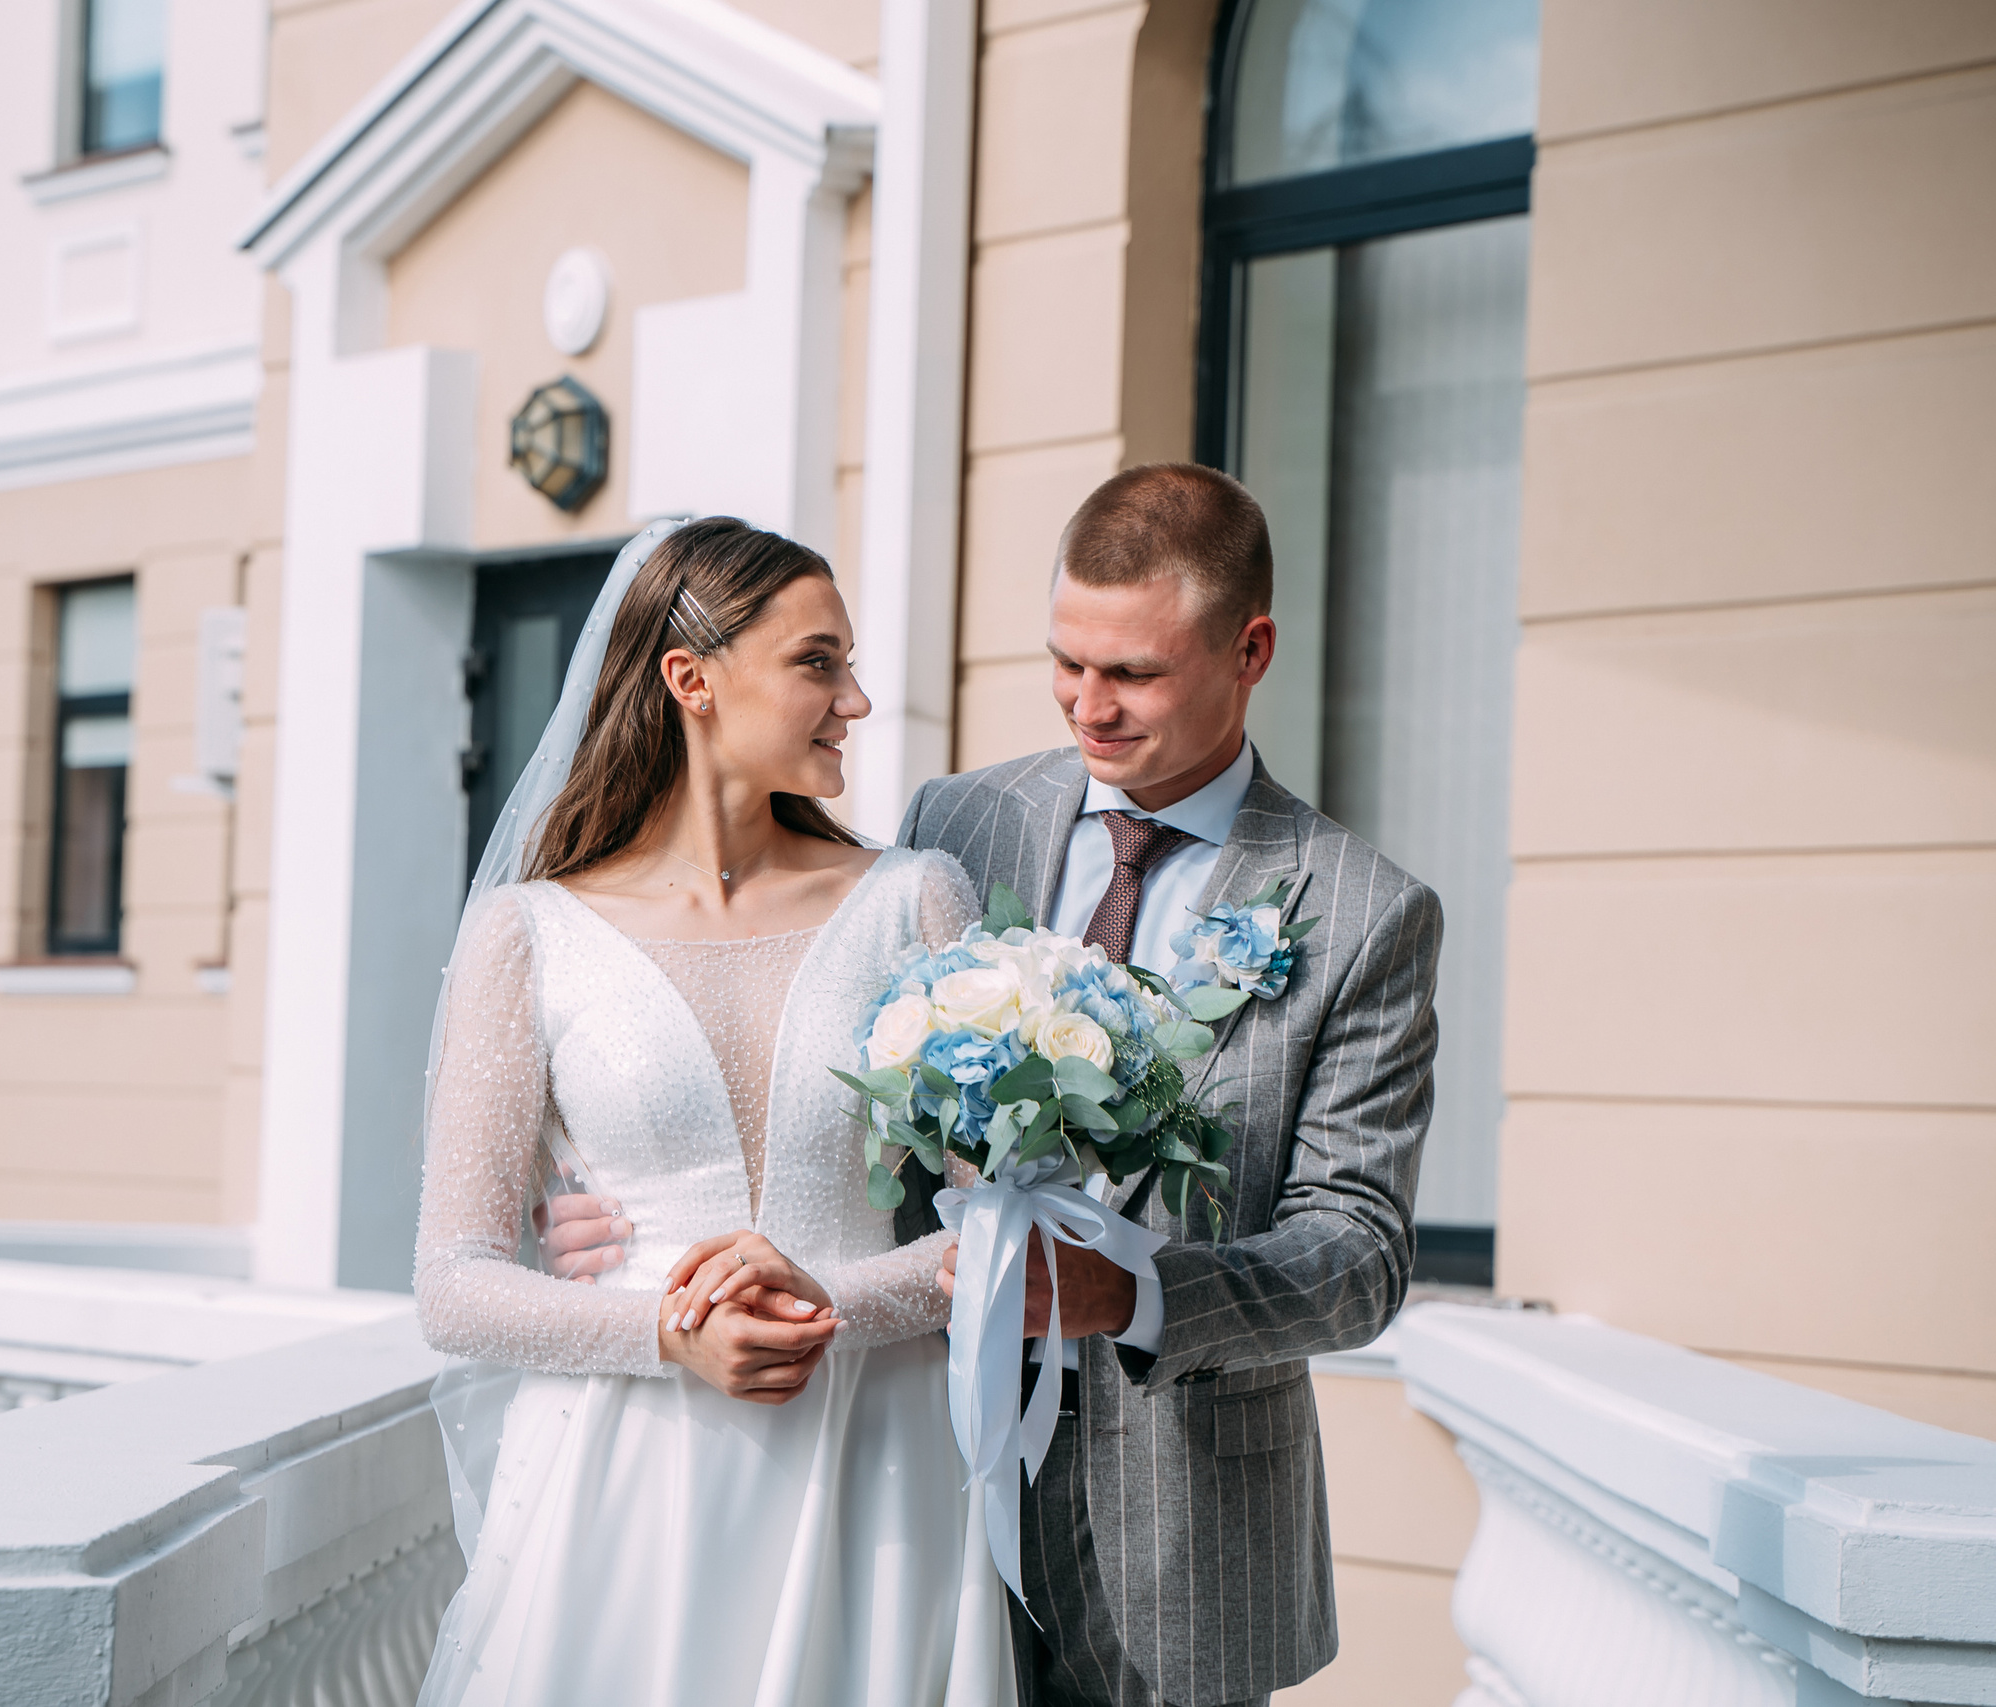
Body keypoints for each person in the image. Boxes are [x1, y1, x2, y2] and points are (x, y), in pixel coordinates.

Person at [545, 466, 1442, 1706]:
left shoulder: (1361, 911)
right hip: (905, 1492)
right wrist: (614, 1200)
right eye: (1066, 663)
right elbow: (779, 1046)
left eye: (1133, 673)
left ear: (1251, 650)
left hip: (1181, 1554)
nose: (1090, 706)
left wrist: (1126, 1293)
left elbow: (1357, 1258)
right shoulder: (955, 824)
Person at [412, 517, 1012, 1707]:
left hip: (876, 1460)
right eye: (818, 662)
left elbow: (1011, 1230)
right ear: (691, 679)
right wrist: (668, 1334)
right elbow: (453, 1281)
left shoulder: (917, 902)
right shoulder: (529, 935)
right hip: (623, 1475)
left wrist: (830, 1302)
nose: (856, 700)